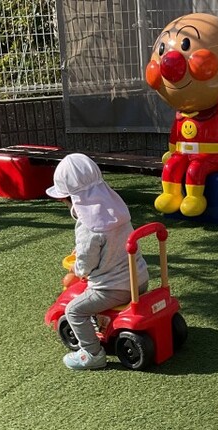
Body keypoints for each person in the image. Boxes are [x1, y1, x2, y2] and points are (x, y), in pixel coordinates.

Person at [46, 153, 149, 370]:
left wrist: (75, 266)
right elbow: (111, 244)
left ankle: (92, 353)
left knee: (73, 310)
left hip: (112, 288)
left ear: (72, 199)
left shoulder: (88, 225)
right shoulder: (117, 210)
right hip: (139, 280)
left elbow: (86, 266)